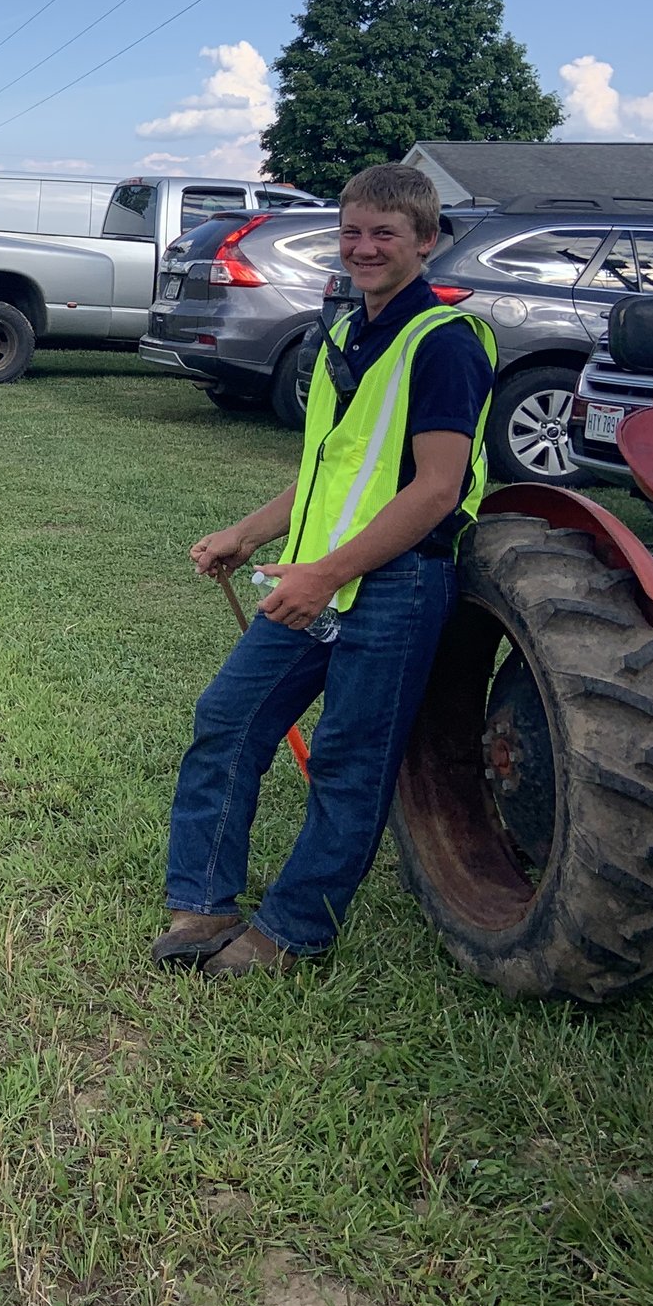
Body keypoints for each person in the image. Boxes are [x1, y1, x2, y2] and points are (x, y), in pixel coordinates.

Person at [154, 162, 496, 976]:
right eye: (352, 231)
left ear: (425, 239)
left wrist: (321, 573)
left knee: (349, 763)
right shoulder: (348, 332)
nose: (364, 247)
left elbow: (438, 488)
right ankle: (201, 904)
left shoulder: (443, 343)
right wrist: (247, 532)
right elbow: (326, 469)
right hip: (319, 577)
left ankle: (292, 931)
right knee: (228, 718)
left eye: (385, 233)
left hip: (400, 583)